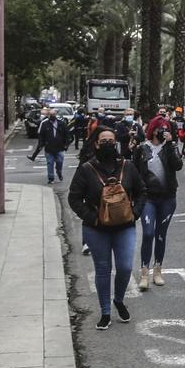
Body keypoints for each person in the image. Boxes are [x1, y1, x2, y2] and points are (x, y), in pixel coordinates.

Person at [67, 127, 146, 330]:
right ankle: (105, 312)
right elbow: (74, 198)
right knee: (103, 270)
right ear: (96, 144)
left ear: (117, 143)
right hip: (97, 229)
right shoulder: (86, 169)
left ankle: (118, 299)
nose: (108, 144)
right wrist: (92, 218)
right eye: (103, 141)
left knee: (125, 267)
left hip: (125, 227)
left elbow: (141, 191)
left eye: (111, 140)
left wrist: (134, 213)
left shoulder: (127, 166)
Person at [132, 120, 185, 291]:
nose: (163, 132)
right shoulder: (142, 148)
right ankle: (144, 272)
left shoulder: (170, 146)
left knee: (161, 234)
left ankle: (158, 270)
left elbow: (177, 165)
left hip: (167, 197)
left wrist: (170, 144)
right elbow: (134, 172)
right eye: (161, 129)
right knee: (148, 233)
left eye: (166, 129)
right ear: (153, 129)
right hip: (148, 197)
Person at [32, 109, 72, 184]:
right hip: (49, 148)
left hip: (60, 147)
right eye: (50, 115)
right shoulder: (45, 124)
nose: (52, 116)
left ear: (56, 115)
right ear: (48, 115)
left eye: (53, 115)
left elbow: (67, 134)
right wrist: (41, 144)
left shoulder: (61, 123)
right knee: (50, 162)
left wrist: (66, 144)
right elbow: (41, 135)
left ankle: (59, 172)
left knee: (60, 161)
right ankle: (51, 178)